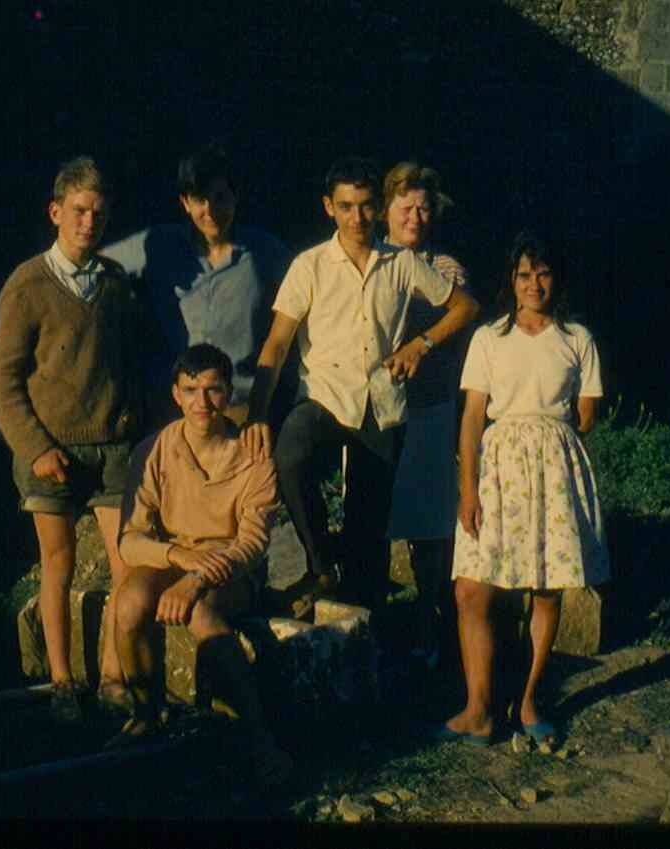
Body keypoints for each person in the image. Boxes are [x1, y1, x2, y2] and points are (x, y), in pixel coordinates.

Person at [243, 157, 479, 612]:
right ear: (329, 207)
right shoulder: (309, 265)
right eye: (346, 207)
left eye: (366, 206)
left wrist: (420, 345)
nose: (357, 218)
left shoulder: (402, 263)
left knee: (367, 538)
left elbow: (464, 308)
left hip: (382, 406)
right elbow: (276, 344)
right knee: (290, 456)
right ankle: (319, 564)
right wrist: (257, 412)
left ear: (378, 207)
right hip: (325, 399)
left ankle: (365, 628)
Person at [0, 156, 142, 718]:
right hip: (50, 449)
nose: (88, 222)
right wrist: (36, 448)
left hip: (111, 447)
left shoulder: (116, 283)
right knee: (59, 561)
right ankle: (61, 682)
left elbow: (128, 362)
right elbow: (1, 379)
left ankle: (112, 676)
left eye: (98, 213)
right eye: (78, 211)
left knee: (128, 565)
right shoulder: (27, 284)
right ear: (56, 212)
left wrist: (127, 420)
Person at [439, 231, 609, 747]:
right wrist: (468, 489)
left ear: (556, 279)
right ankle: (478, 708)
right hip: (497, 468)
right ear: (510, 280)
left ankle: (530, 698)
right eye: (523, 274)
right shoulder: (489, 338)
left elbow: (585, 414)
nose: (533, 284)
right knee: (471, 587)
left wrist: (548, 448)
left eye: (543, 274)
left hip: (554, 467)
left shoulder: (577, 339)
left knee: (545, 586)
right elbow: (471, 418)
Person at [111, 343, 291, 788]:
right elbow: (130, 539)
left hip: (229, 568)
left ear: (229, 393)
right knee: (130, 601)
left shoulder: (253, 455)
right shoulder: (153, 450)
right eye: (191, 390)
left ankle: (259, 739)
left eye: (213, 390)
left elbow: (251, 540)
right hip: (176, 555)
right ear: (175, 394)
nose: (202, 402)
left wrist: (196, 579)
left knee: (201, 612)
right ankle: (146, 713)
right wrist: (176, 557)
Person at [103, 145, 292, 428]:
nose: (210, 211)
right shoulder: (159, 244)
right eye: (200, 200)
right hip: (175, 407)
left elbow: (313, 287)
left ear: (235, 196)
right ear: (185, 202)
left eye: (220, 198)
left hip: (238, 406)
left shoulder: (265, 252)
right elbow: (95, 262)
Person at [380, 162, 473, 668]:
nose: (415, 215)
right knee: (370, 519)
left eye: (423, 207)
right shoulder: (368, 260)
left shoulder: (446, 271)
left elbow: (455, 319)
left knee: (430, 525)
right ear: (386, 211)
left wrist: (421, 341)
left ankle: (426, 626)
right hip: (374, 411)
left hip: (430, 407)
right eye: (405, 206)